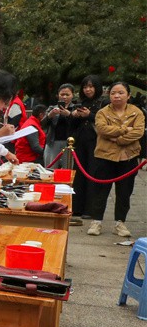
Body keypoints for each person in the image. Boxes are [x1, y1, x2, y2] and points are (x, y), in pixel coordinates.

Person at [86, 81, 144, 237]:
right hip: (105, 156)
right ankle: (96, 221)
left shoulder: (136, 112)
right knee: (100, 191)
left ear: (128, 95)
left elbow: (138, 132)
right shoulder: (102, 113)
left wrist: (118, 139)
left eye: (120, 93)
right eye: (113, 93)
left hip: (128, 157)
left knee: (124, 192)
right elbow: (103, 130)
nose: (116, 96)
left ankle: (120, 222)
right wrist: (125, 129)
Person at [70, 76, 105, 222]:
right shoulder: (81, 102)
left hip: (95, 142)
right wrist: (74, 115)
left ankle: (90, 209)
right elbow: (73, 125)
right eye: (85, 87)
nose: (88, 89)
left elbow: (105, 121)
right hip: (80, 142)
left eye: (91, 86)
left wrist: (89, 115)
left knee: (93, 174)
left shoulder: (103, 103)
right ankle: (76, 207)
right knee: (78, 175)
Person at [42, 82, 76, 168]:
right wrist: (50, 115)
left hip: (69, 143)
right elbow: (42, 124)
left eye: (67, 94)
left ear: (72, 95)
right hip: (52, 142)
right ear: (58, 95)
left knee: (67, 170)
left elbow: (77, 124)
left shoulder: (75, 108)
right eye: (62, 94)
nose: (64, 97)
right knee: (50, 169)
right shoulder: (52, 108)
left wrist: (69, 114)